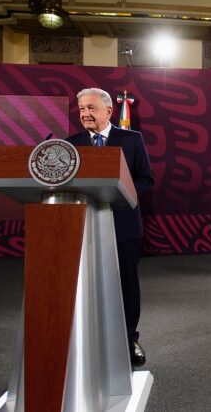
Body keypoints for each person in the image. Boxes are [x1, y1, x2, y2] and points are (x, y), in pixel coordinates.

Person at [66, 88, 155, 365]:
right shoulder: (72, 143)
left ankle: (129, 339)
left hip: (123, 226)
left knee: (127, 285)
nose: (85, 113)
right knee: (86, 285)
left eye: (91, 108)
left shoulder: (131, 140)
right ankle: (88, 340)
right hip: (84, 226)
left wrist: (122, 192)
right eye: (81, 109)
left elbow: (146, 180)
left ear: (108, 111)